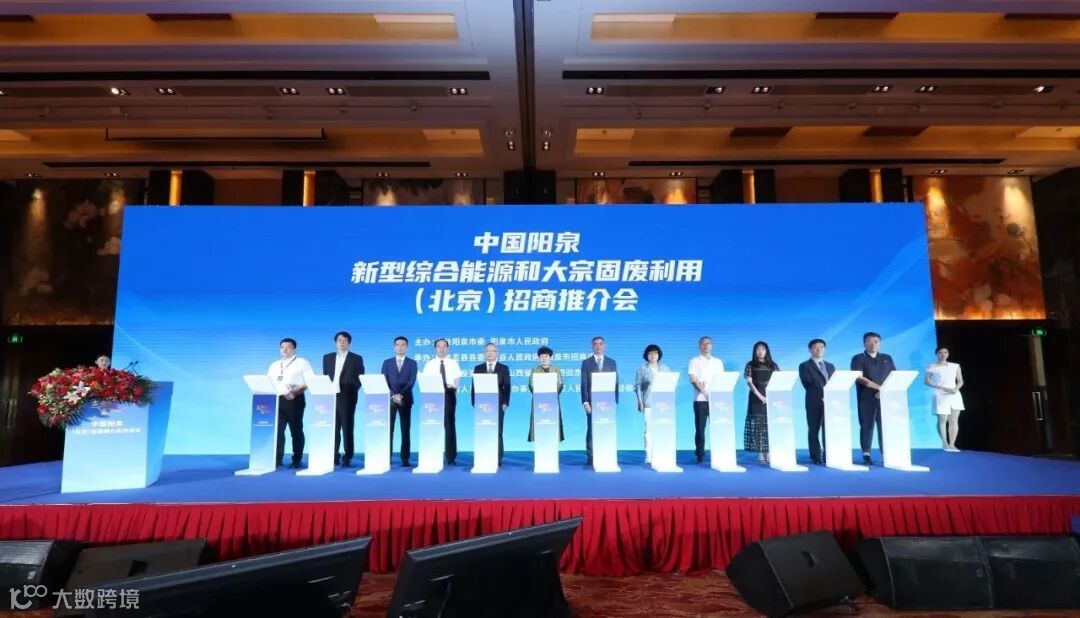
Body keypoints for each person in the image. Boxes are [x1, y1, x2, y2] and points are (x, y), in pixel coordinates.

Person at [267, 338, 314, 469]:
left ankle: (297, 459)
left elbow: (309, 381)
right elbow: (269, 382)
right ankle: (277, 459)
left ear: (294, 349)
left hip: (294, 399)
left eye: (288, 347)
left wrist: (295, 392)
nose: (284, 349)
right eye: (282, 347)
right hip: (277, 400)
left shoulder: (302, 363)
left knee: (296, 430)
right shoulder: (274, 365)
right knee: (278, 431)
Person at [851, 331, 896, 465]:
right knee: (867, 425)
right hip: (866, 397)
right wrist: (879, 388)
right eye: (869, 341)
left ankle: (886, 452)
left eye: (876, 341)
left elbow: (894, 375)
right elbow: (858, 377)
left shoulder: (887, 358)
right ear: (864, 343)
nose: (873, 344)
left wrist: (885, 390)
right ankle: (866, 453)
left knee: (884, 425)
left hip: (885, 397)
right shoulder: (858, 358)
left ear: (879, 343)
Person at [322, 331, 364, 468]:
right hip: (330, 396)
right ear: (335, 343)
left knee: (347, 427)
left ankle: (348, 456)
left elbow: (360, 378)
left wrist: (351, 390)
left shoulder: (356, 358)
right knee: (333, 428)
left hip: (347, 397)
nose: (342, 342)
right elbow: (325, 375)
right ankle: (333, 455)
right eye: (339, 340)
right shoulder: (327, 357)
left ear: (349, 343)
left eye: (345, 340)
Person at [423, 338, 462, 466]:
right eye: (439, 346)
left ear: (447, 348)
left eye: (444, 346)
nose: (441, 348)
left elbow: (457, 381)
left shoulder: (453, 363)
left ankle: (451, 456)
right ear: (435, 348)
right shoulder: (429, 364)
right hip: (433, 396)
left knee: (449, 424)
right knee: (433, 425)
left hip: (449, 394)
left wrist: (454, 388)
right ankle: (433, 454)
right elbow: (425, 382)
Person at [580, 336, 618, 467]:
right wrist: (585, 402)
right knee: (591, 429)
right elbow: (584, 383)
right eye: (595, 344)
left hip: (608, 402)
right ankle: (591, 456)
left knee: (607, 427)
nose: (598, 346)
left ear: (604, 346)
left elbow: (615, 382)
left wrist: (615, 400)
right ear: (592, 346)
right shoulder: (586, 363)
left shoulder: (612, 362)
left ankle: (606, 453)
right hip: (592, 402)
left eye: (601, 344)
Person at [472, 342, 512, 466]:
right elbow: (474, 387)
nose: (490, 353)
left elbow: (507, 387)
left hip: (498, 404)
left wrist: (505, 402)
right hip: (482, 404)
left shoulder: (503, 368)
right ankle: (483, 455)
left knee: (497, 431)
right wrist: (474, 402)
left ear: (497, 353)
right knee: (483, 430)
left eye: (493, 351)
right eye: (487, 351)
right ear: (484, 353)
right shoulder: (478, 368)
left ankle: (497, 457)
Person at [381, 336, 417, 467]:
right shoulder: (387, 362)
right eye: (398, 345)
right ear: (394, 347)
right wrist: (393, 395)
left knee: (405, 430)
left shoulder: (412, 363)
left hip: (405, 399)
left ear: (407, 347)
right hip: (390, 400)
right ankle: (387, 457)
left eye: (403, 345)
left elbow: (411, 381)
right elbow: (383, 380)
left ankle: (405, 458)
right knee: (389, 430)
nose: (400, 347)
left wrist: (400, 395)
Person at [688, 336, 725, 463]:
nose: (706, 345)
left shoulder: (718, 362)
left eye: (708, 343)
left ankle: (719, 452)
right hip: (700, 400)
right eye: (703, 343)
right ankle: (700, 454)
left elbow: (721, 380)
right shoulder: (694, 361)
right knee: (700, 428)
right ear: (699, 346)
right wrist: (704, 392)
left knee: (718, 427)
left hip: (716, 400)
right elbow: (693, 380)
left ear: (712, 346)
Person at [798, 338, 835, 465]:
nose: (818, 349)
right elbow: (807, 383)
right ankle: (815, 455)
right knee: (814, 429)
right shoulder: (804, 366)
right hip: (814, 401)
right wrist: (823, 393)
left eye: (821, 347)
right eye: (815, 347)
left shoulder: (830, 366)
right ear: (810, 350)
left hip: (830, 402)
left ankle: (828, 454)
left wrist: (830, 395)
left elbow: (834, 383)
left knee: (828, 429)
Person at [634, 344, 670, 465]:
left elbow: (670, 383)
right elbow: (638, 386)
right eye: (650, 353)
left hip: (663, 404)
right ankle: (648, 455)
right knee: (649, 430)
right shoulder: (642, 369)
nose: (652, 355)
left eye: (655, 353)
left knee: (662, 429)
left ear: (659, 355)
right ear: (646, 356)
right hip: (648, 402)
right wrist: (640, 402)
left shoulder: (665, 368)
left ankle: (661, 452)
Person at [744, 341, 779, 465]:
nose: (760, 352)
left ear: (767, 351)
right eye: (758, 349)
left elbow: (779, 380)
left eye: (763, 349)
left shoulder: (773, 365)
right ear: (754, 351)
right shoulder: (750, 364)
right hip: (756, 396)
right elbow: (749, 382)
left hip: (771, 397)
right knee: (758, 425)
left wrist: (771, 396)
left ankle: (768, 451)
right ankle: (761, 452)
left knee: (769, 425)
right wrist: (760, 396)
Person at [925, 346, 965, 452]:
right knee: (943, 419)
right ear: (936, 354)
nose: (943, 354)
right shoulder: (932, 366)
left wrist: (955, 389)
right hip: (940, 394)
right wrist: (940, 387)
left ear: (948, 354)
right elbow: (927, 381)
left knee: (954, 420)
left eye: (945, 352)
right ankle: (945, 443)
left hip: (954, 394)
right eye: (940, 352)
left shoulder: (955, 366)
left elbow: (960, 380)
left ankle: (952, 444)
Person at [528, 346, 564, 443]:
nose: (544, 358)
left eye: (546, 356)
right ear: (539, 358)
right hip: (538, 401)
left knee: (553, 422)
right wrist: (539, 394)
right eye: (541, 356)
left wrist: (552, 394)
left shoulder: (556, 369)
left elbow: (560, 384)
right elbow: (531, 385)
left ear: (550, 357)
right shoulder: (534, 370)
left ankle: (553, 442)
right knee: (539, 422)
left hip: (553, 400)